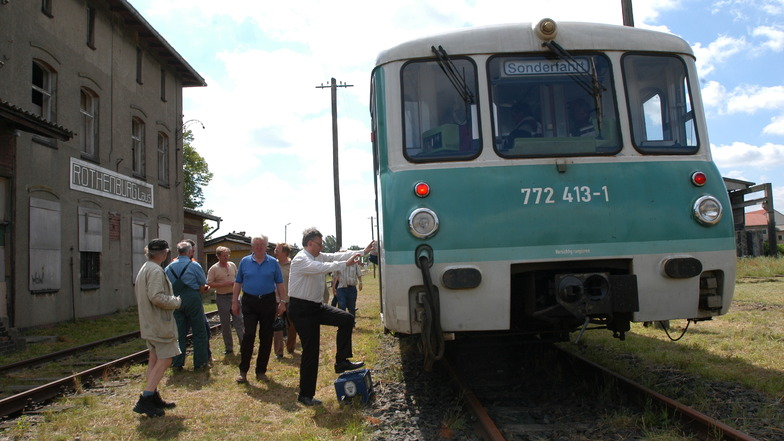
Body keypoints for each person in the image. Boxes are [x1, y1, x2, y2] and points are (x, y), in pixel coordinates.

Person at [287, 227, 374, 406]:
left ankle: (341, 361)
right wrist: (345, 265)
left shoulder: (317, 255)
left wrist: (362, 252)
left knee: (347, 319)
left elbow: (335, 256)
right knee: (311, 351)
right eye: (319, 244)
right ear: (309, 243)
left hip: (315, 307)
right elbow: (322, 268)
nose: (322, 247)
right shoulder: (302, 259)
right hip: (302, 310)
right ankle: (305, 395)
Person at [133, 239, 181, 417]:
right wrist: (175, 302)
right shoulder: (155, 270)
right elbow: (156, 297)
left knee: (154, 358)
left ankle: (152, 395)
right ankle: (145, 399)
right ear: (164, 253)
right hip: (159, 323)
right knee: (166, 358)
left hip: (149, 321)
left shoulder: (145, 268)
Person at [231, 235, 287, 383]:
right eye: (256, 244)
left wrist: (282, 301)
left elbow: (280, 283)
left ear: (266, 246)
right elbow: (238, 283)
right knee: (248, 335)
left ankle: (261, 371)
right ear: (252, 246)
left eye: (262, 244)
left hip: (268, 302)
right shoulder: (245, 262)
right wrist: (234, 302)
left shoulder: (273, 263)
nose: (259, 247)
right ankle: (243, 371)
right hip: (249, 301)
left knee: (266, 336)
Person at [165, 240, 211, 371]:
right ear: (189, 251)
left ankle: (177, 362)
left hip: (175, 300)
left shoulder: (169, 267)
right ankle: (200, 362)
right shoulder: (194, 265)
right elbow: (203, 283)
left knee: (179, 333)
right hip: (192, 299)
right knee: (199, 331)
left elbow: (166, 285)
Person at [207, 246, 244, 355]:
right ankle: (229, 348)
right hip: (222, 297)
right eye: (224, 256)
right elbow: (209, 283)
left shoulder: (232, 265)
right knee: (225, 323)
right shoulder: (213, 269)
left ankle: (244, 345)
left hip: (234, 296)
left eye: (227, 255)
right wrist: (224, 284)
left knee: (239, 321)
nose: (226, 257)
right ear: (218, 256)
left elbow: (238, 278)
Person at [272, 242, 295, 358]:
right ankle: (279, 352)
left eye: (278, 250)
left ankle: (290, 347)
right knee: (278, 326)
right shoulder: (273, 264)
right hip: (276, 300)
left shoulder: (293, 265)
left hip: (291, 299)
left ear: (285, 253)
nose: (275, 251)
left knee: (293, 325)